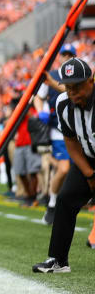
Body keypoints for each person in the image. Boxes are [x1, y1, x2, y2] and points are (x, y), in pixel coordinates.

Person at [33, 57, 95, 273]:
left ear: (91, 81)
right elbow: (70, 140)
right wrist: (89, 174)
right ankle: (58, 260)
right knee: (66, 198)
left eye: (77, 86)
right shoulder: (62, 103)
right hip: (86, 156)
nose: (72, 93)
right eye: (68, 87)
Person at [34, 44, 76, 224]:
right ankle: (52, 203)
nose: (66, 57)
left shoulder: (80, 74)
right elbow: (38, 96)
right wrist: (40, 111)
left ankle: (61, 203)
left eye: (69, 54)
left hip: (79, 128)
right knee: (64, 168)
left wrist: (52, 84)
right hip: (59, 128)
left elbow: (73, 93)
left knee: (75, 171)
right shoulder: (51, 75)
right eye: (63, 54)